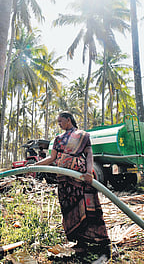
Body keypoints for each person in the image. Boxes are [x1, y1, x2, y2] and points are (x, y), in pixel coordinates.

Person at [31, 111, 111, 259]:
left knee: (86, 207)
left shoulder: (83, 135)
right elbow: (52, 158)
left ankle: (100, 242)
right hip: (63, 180)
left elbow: (89, 155)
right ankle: (80, 243)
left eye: (61, 121)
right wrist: (35, 165)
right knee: (69, 210)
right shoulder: (58, 139)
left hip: (80, 178)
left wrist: (88, 172)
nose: (59, 124)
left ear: (69, 120)